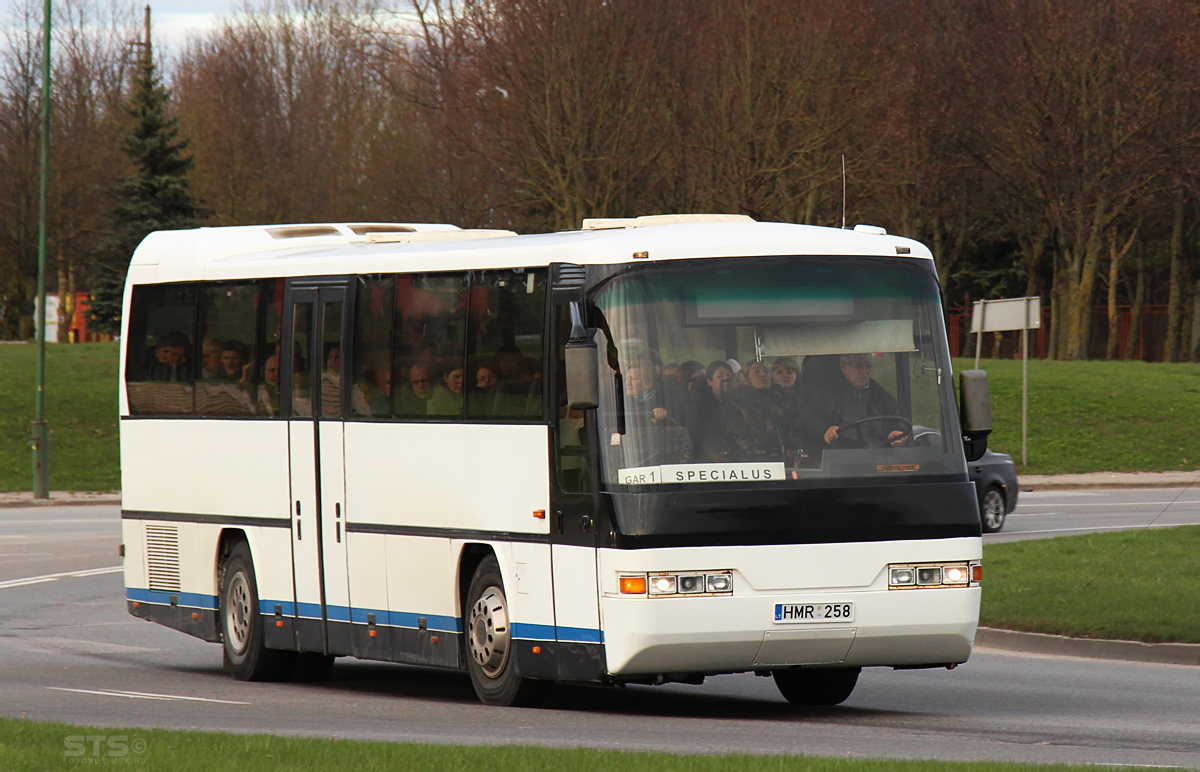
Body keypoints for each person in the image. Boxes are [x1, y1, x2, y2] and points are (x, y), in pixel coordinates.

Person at [804, 353, 907, 449]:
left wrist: (893, 433)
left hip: (875, 452)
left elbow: (896, 421)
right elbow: (810, 419)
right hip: (837, 452)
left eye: (868, 366)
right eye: (857, 366)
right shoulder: (827, 394)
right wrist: (826, 430)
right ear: (844, 368)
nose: (864, 372)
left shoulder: (882, 397)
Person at [721, 359, 796, 461]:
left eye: (766, 371)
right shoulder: (737, 404)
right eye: (756, 371)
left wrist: (790, 449)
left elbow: (793, 431)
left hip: (784, 459)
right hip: (751, 462)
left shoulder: (780, 401)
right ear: (746, 377)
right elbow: (736, 437)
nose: (763, 375)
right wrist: (765, 454)